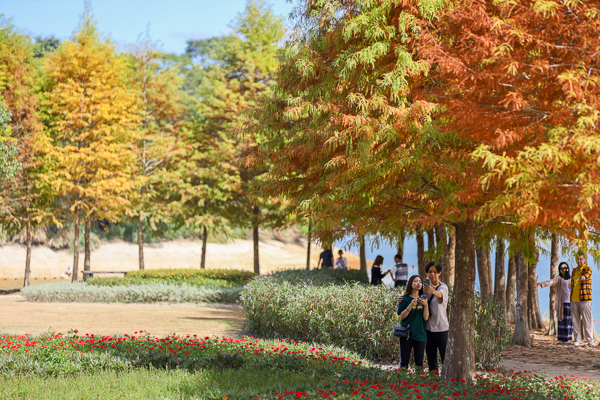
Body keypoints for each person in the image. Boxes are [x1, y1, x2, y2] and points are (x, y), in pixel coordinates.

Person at [397, 275, 429, 368]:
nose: (418, 283)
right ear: (410, 283)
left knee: (419, 364)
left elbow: (426, 318)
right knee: (404, 362)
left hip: (420, 334)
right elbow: (401, 316)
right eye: (415, 281)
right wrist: (411, 305)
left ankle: (418, 382)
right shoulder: (405, 299)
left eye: (420, 281)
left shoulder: (424, 299)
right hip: (406, 335)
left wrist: (426, 305)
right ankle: (402, 381)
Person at [537, 262, 572, 344]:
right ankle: (562, 339)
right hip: (562, 303)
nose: (565, 270)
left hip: (571, 303)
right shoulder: (559, 278)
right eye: (562, 268)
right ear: (560, 270)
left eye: (566, 267)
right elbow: (551, 282)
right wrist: (541, 283)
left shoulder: (571, 278)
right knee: (562, 320)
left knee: (569, 321)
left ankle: (567, 338)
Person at [423, 262, 449, 373]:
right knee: (431, 359)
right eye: (430, 272)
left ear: (439, 273)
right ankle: (433, 381)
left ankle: (447, 379)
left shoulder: (443, 287)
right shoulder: (425, 288)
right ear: (426, 274)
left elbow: (440, 295)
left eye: (434, 272)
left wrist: (432, 291)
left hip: (442, 328)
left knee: (445, 358)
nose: (432, 274)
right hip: (428, 328)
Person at [570, 252, 594, 346]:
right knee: (575, 321)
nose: (579, 261)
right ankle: (578, 340)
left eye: (581, 259)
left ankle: (590, 340)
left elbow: (588, 275)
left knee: (586, 320)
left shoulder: (587, 269)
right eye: (578, 259)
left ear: (584, 259)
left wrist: (584, 277)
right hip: (574, 299)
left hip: (585, 299)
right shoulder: (574, 270)